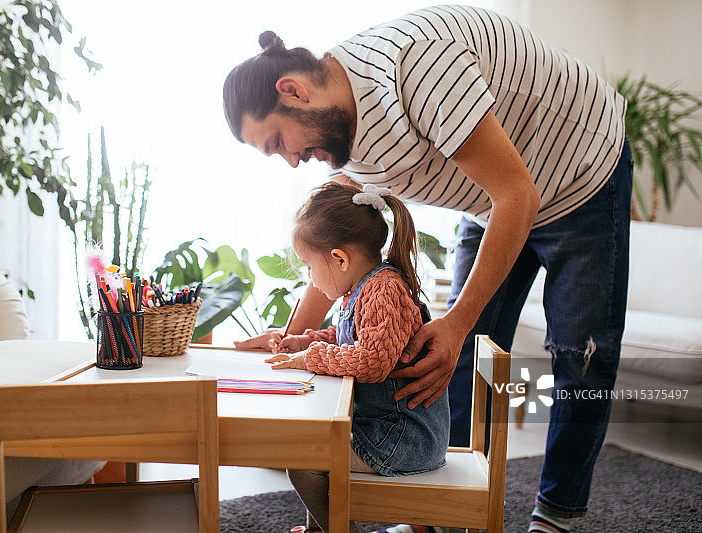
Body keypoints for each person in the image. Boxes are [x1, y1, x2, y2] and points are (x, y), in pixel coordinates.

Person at [223, 6, 631, 533]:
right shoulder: (341, 146)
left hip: (579, 172)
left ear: (294, 91)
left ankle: (555, 515)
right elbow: (331, 258)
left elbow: (519, 194)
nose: (291, 161)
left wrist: (457, 321)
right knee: (444, 357)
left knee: (581, 357)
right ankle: (436, 510)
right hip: (494, 199)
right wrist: (288, 340)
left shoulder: (414, 65)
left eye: (278, 142)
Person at [265, 181, 450, 533]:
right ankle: (324, 527)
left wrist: (311, 358)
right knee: (311, 443)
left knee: (302, 462)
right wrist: (305, 341)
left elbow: (372, 360)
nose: (310, 278)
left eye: (308, 266)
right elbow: (348, 336)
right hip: (386, 431)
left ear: (339, 258)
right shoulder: (363, 288)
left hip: (402, 439)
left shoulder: (385, 288)